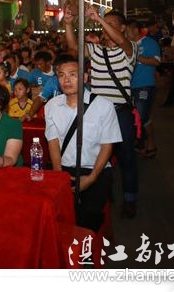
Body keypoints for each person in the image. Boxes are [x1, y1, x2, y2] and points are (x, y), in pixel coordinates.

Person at [64, 4, 139, 219]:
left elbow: (122, 41)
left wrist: (99, 19)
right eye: (105, 24)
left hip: (121, 112)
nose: (106, 27)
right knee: (97, 156)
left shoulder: (130, 49)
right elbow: (73, 47)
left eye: (111, 24)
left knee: (126, 157)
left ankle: (130, 198)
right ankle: (105, 191)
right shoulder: (96, 50)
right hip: (97, 113)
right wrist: (68, 24)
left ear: (122, 28)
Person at [44, 55, 122, 232]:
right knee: (59, 218)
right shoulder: (52, 106)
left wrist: (92, 178)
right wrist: (59, 174)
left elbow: (107, 145)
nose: (66, 80)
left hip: (96, 170)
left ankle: (88, 246)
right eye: (61, 75)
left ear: (85, 77)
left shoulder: (104, 105)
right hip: (64, 169)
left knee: (88, 219)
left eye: (73, 74)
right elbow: (53, 142)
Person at [126, 20, 161, 159]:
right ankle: (141, 142)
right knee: (135, 116)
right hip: (128, 86)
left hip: (144, 84)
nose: (126, 33)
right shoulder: (128, 44)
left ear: (136, 30)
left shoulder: (149, 43)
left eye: (128, 30)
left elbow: (156, 61)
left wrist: (137, 56)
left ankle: (149, 143)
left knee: (142, 115)